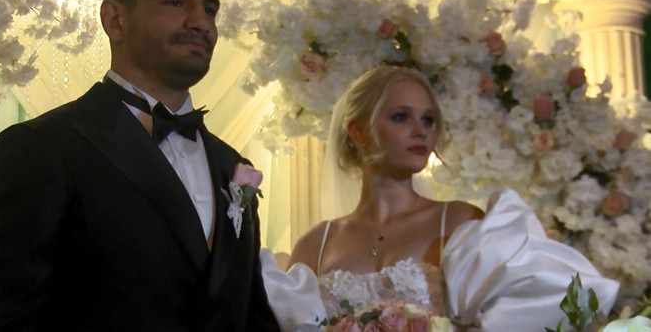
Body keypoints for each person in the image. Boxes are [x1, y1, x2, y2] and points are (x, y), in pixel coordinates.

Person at [0, 0, 279, 331]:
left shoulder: (231, 164)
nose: (201, 22)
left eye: (209, 9)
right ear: (116, 20)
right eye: (176, 2)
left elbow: (252, 319)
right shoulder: (38, 150)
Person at [261, 65, 619, 331]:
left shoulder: (461, 223)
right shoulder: (316, 243)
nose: (420, 130)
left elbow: (524, 315)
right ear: (357, 131)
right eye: (401, 117)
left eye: (428, 120)